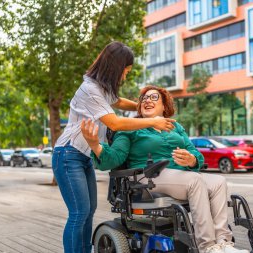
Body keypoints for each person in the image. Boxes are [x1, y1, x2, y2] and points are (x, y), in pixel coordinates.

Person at [81, 86, 249, 253]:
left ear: (164, 106)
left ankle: (223, 242)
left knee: (219, 181)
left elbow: (195, 152)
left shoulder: (176, 127)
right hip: (147, 178)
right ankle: (208, 247)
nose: (147, 100)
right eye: (143, 98)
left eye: (154, 97)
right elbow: (114, 158)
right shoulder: (131, 128)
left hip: (181, 175)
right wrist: (95, 145)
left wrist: (192, 160)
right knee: (195, 180)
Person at [52, 42, 175, 253]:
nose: (125, 76)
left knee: (88, 211)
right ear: (116, 67)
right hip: (67, 154)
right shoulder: (90, 90)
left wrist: (143, 104)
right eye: (125, 71)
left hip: (83, 156)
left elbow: (119, 102)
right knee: (79, 213)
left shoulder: (101, 88)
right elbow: (115, 123)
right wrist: (152, 121)